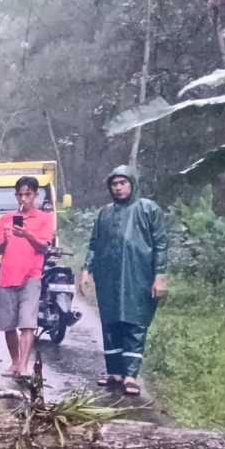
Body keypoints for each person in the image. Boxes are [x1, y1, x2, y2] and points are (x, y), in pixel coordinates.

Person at [79, 166, 168, 397]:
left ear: (132, 184)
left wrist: (160, 276)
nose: (118, 188)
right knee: (111, 324)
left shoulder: (148, 209)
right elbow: (94, 244)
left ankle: (130, 375)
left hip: (139, 276)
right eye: (114, 184)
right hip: (108, 277)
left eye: (122, 183)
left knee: (134, 323)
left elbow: (160, 244)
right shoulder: (104, 213)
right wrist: (86, 270)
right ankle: (115, 372)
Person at [0, 176, 55, 378]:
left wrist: (27, 234)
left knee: (27, 322)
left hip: (31, 275)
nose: (23, 198)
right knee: (8, 324)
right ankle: (14, 362)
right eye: (20, 194)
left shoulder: (45, 218)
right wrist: (6, 239)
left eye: (28, 194)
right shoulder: (5, 219)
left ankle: (24, 366)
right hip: (6, 276)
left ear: (35, 195)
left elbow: (44, 247)